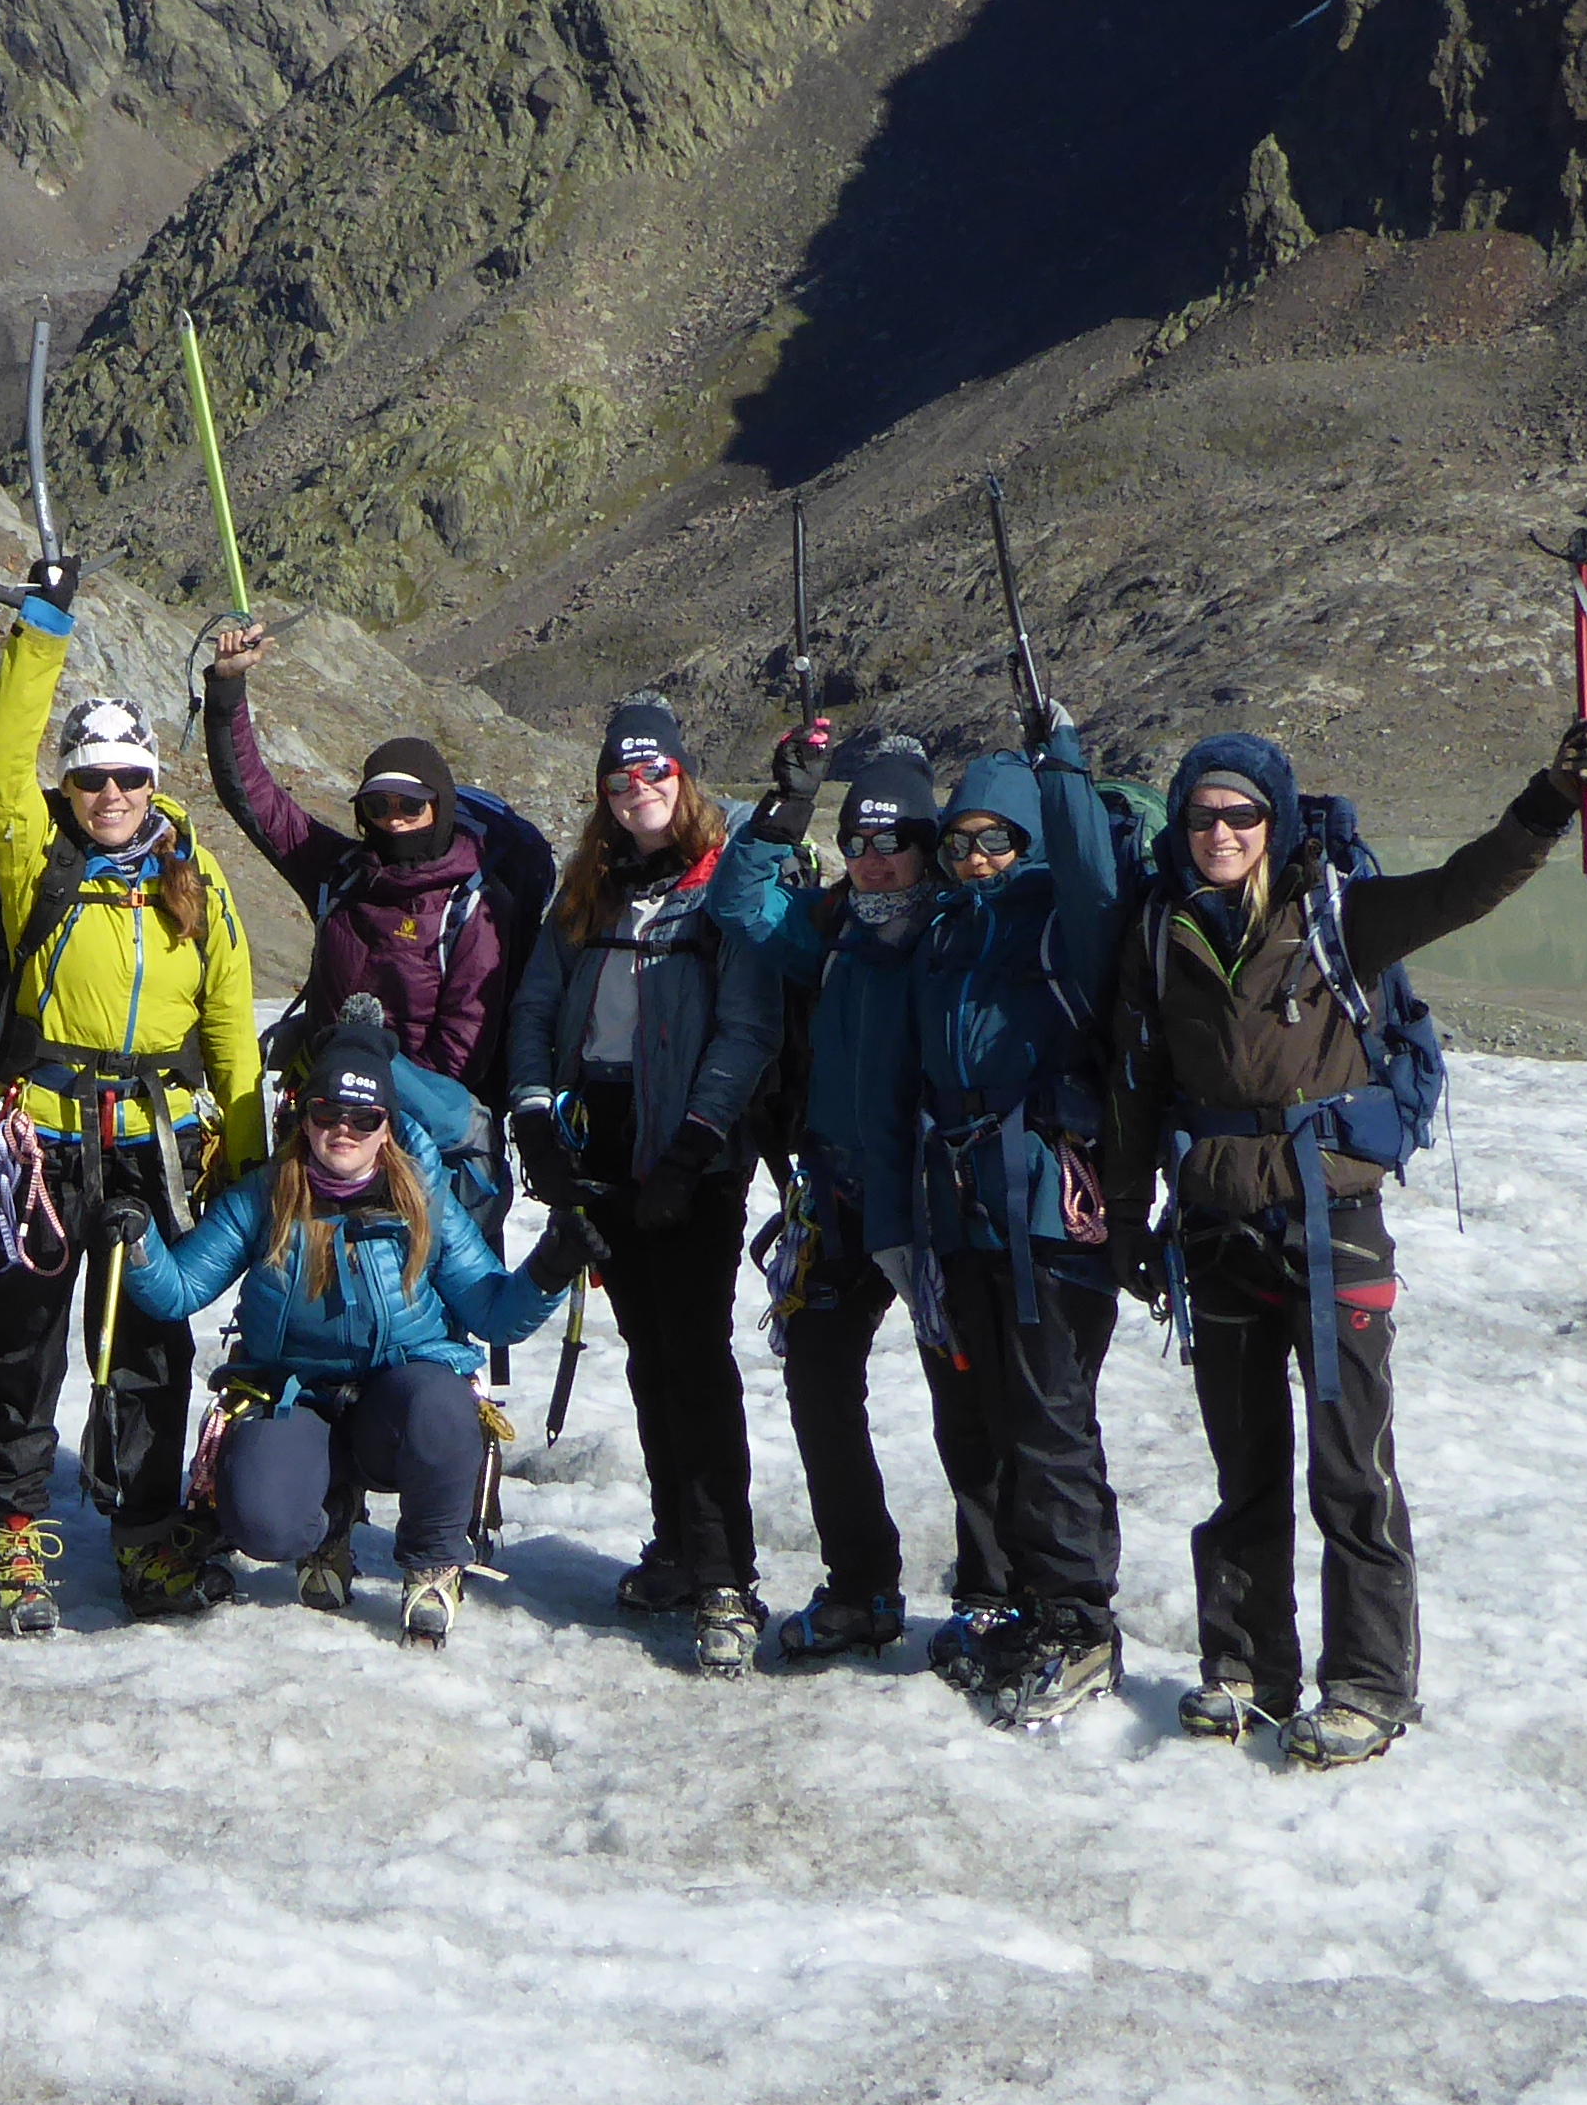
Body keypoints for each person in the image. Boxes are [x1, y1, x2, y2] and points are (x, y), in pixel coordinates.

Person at [1104, 721, 1587, 1771]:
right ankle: (1247, 1671)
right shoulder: (1159, 926)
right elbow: (1137, 1085)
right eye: (1202, 815)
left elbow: (1464, 888)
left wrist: (1550, 801)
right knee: (1244, 1467)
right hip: (1216, 1226)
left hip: (1331, 1227)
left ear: (1274, 821)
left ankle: (1369, 1685)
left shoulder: (1336, 913)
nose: (1220, 832)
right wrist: (1129, 1217)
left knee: (1351, 1469)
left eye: (1241, 814)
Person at [0, 557, 265, 1631]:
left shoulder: (195, 875)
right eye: (91, 777)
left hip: (156, 1148)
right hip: (42, 1145)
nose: (110, 795)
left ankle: (145, 1537)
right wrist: (42, 630)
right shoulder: (34, 857)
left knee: (149, 1347)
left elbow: (229, 1022)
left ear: (151, 778)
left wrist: (248, 1155)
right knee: (24, 1338)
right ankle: (14, 1526)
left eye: (128, 777)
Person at [837, 709, 1135, 1730]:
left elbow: (1097, 881)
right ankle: (1027, 1607)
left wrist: (1065, 770)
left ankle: (1081, 1624)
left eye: (995, 839)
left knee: (1051, 1420)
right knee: (990, 1419)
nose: (974, 858)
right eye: (960, 841)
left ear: (1029, 839)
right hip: (960, 1208)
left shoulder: (1063, 920)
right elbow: (901, 1083)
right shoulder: (944, 934)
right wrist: (899, 1222)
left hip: (1048, 1209)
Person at [130, 1007, 585, 1648]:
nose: (342, 1130)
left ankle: (432, 1564)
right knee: (262, 1521)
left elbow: (493, 1313)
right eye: (327, 1113)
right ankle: (329, 1516)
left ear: (387, 1126)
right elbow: (179, 1292)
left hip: (398, 1398)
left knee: (443, 1406)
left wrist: (550, 1267)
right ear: (305, 1116)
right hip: (295, 1394)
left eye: (363, 1118)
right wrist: (139, 1243)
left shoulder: (423, 1198)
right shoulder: (266, 1195)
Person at [505, 696, 785, 1676]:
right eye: (619, 781)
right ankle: (677, 1548)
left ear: (683, 775)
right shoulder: (588, 889)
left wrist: (692, 1149)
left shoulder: (723, 887)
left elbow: (747, 1028)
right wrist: (534, 1117)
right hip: (603, 1144)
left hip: (691, 1154)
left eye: (654, 773)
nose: (638, 794)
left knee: (696, 1360)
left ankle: (726, 1575)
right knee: (651, 1356)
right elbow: (537, 1006)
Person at [720, 732, 970, 1667]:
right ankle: (861, 1585)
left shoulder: (957, 931)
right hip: (836, 1195)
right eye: (856, 842)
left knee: (965, 1398)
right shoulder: (832, 928)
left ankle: (993, 1595)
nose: (871, 861)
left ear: (927, 844)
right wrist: (785, 807)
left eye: (891, 842)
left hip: (933, 1206)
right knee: (820, 1381)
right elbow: (739, 901)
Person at [193, 618, 511, 1089]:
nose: (394, 819)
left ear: (440, 807)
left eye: (411, 805)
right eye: (378, 806)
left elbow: (462, 1050)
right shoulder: (341, 873)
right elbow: (252, 798)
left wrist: (377, 1107)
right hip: (325, 1111)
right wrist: (226, 689)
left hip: (414, 1120)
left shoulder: (471, 907)